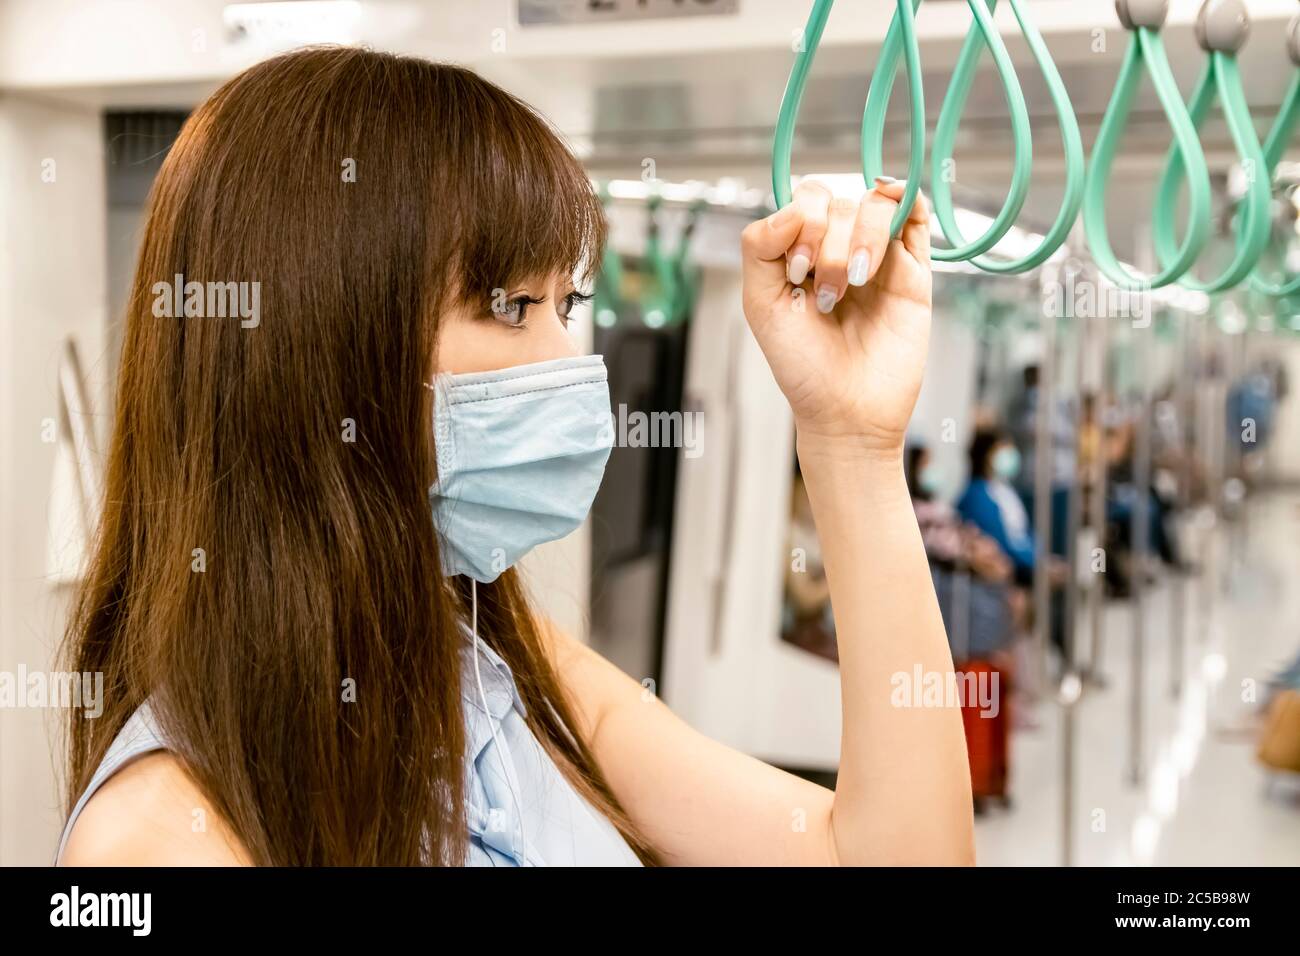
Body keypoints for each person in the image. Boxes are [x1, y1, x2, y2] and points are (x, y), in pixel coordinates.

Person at [57, 47, 973, 867]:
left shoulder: (504, 672)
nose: (562, 366)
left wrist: (852, 445)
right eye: (507, 306)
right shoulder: (158, 838)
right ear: (320, 345)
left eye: (564, 306)